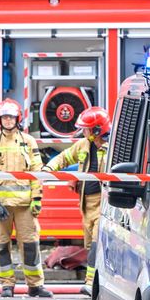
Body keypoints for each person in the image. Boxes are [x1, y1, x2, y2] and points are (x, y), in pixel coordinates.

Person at [0, 99, 52, 298]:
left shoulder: (28, 141)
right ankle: (7, 285)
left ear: (18, 118)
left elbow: (37, 172)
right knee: (1, 245)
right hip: (0, 206)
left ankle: (35, 285)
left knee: (30, 245)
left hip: (24, 205)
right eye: (4, 117)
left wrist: (37, 198)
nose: (8, 120)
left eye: (11, 117)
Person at [44, 106, 110, 290]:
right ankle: (96, 283)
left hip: (104, 202)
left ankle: (91, 284)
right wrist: (48, 169)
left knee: (98, 242)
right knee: (90, 244)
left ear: (97, 130)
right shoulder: (83, 145)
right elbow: (64, 158)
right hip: (86, 202)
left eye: (87, 129)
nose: (83, 131)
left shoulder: (113, 146)